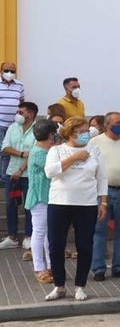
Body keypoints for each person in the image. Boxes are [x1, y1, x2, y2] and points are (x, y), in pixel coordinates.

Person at [43, 117, 107, 301]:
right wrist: (73, 158)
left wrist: (103, 202)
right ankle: (59, 285)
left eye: (87, 130)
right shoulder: (57, 150)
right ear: (70, 133)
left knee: (85, 245)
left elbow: (102, 177)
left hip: (86, 204)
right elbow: (50, 172)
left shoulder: (94, 150)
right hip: (59, 202)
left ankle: (80, 285)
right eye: (82, 131)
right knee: (56, 245)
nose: (86, 134)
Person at [88, 111, 120, 280]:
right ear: (107, 125)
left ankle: (119, 266)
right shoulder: (95, 142)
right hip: (102, 191)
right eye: (117, 122)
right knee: (98, 230)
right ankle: (98, 268)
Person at [1, 100, 37, 249]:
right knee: (10, 205)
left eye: (21, 112)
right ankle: (12, 236)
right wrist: (21, 154)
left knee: (30, 206)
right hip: (12, 173)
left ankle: (29, 236)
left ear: (31, 114)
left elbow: (35, 153)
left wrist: (21, 169)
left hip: (29, 174)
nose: (18, 114)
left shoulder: (38, 129)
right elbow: (5, 148)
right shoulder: (13, 128)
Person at [25, 120, 55, 283]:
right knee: (39, 233)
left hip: (48, 197)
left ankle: (51, 266)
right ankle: (39, 268)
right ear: (51, 135)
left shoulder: (46, 150)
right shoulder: (39, 153)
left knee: (48, 234)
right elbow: (54, 169)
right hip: (39, 198)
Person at [0, 61, 24, 182]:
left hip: (14, 125)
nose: (9, 73)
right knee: (3, 151)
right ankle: (4, 178)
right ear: (1, 71)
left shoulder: (19, 85)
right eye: (6, 70)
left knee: (11, 150)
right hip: (0, 124)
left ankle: (7, 176)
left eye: (12, 71)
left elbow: (22, 102)